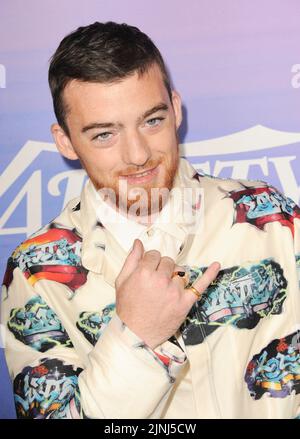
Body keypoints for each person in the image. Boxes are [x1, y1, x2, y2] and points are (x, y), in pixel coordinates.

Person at [1, 21, 300, 419]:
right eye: (105, 134)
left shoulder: (272, 218)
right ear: (65, 141)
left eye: (152, 121)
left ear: (176, 109)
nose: (138, 154)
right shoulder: (35, 270)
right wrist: (134, 336)